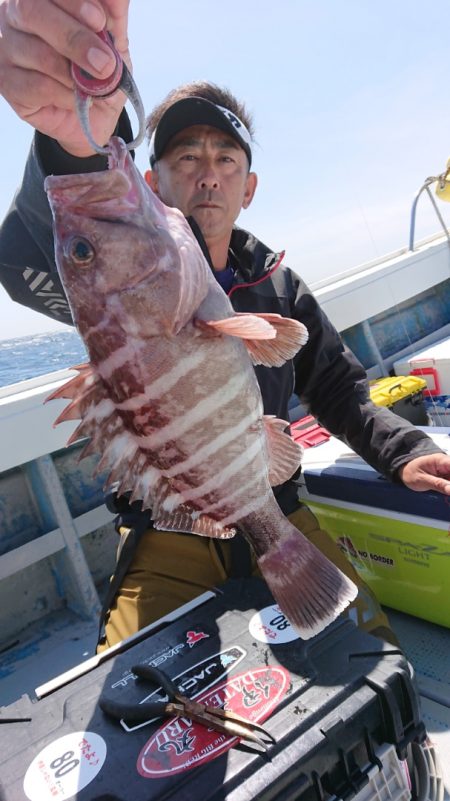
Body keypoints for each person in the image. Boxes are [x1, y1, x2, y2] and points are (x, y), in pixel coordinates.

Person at [0, 0, 449, 652]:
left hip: (276, 505)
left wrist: (403, 453)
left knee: (369, 656)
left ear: (250, 187)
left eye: (226, 159)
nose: (208, 174)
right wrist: (75, 148)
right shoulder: (112, 294)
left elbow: (339, 391)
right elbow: (23, 259)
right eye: (186, 157)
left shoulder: (281, 287)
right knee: (142, 693)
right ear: (151, 180)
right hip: (166, 529)